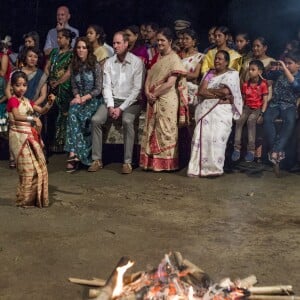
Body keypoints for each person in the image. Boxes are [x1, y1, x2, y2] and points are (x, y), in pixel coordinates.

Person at [88, 31, 144, 174]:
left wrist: (121, 108)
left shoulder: (136, 62)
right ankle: (96, 159)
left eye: (119, 43)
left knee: (127, 120)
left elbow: (137, 90)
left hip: (131, 102)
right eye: (114, 43)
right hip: (112, 100)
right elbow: (106, 87)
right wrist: (111, 106)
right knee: (96, 120)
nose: (115, 46)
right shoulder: (109, 62)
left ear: (126, 44)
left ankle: (127, 162)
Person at [139, 27, 189, 172]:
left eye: (163, 40)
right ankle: (151, 163)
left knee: (165, 130)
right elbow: (149, 76)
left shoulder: (174, 59)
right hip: (152, 99)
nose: (159, 43)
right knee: (151, 129)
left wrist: (154, 94)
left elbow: (170, 83)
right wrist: (147, 91)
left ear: (170, 41)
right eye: (158, 40)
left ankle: (166, 164)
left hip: (166, 99)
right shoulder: (157, 57)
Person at [188, 50, 243, 177]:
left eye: (220, 59)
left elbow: (226, 91)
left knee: (217, 138)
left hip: (222, 111)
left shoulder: (232, 74)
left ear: (227, 62)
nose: (217, 61)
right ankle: (197, 168)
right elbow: (201, 91)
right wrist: (217, 94)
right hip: (206, 110)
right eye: (216, 58)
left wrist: (213, 92)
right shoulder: (209, 73)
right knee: (200, 135)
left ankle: (214, 169)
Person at [6, 71, 54, 207]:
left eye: (24, 85)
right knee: (26, 169)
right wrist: (33, 118)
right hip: (18, 137)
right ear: (12, 87)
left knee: (37, 167)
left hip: (29, 135)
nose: (21, 88)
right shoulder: (12, 100)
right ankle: (24, 200)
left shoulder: (27, 101)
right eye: (18, 85)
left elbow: (42, 110)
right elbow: (16, 116)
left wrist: (49, 103)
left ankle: (31, 200)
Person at [64, 37, 103, 172]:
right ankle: (73, 154)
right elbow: (73, 86)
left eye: (84, 48)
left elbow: (98, 88)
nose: (81, 50)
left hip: (93, 100)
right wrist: (77, 97)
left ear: (88, 50)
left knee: (79, 114)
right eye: (79, 47)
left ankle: (78, 155)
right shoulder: (74, 65)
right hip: (80, 99)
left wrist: (84, 98)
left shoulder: (95, 65)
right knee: (73, 111)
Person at [263, 51, 300, 176]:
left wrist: (285, 69)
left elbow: (296, 86)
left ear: (298, 65)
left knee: (290, 121)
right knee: (267, 118)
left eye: (290, 63)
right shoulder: (280, 73)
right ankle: (276, 152)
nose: (287, 66)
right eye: (286, 63)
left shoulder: (298, 76)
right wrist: (269, 69)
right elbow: (264, 76)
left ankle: (275, 151)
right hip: (275, 104)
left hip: (289, 105)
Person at [231, 60, 268, 162]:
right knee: (239, 121)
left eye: (253, 70)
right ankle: (236, 149)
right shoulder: (245, 85)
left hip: (257, 109)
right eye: (249, 70)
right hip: (246, 108)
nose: (250, 72)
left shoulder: (263, 84)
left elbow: (265, 101)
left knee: (251, 121)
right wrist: (239, 110)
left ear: (259, 71)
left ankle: (251, 151)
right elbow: (242, 100)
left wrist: (262, 114)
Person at [44, 28, 74, 153]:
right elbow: (47, 67)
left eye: (61, 37)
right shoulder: (54, 52)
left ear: (68, 40)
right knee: (50, 113)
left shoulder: (72, 54)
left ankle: (63, 144)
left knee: (64, 114)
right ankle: (50, 142)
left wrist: (58, 82)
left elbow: (69, 72)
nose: (58, 39)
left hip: (65, 87)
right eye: (57, 37)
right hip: (52, 86)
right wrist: (50, 79)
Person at [181, 29, 204, 105]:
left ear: (194, 41)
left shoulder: (200, 56)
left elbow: (195, 75)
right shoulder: (179, 56)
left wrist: (179, 74)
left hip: (191, 90)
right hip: (178, 88)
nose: (184, 41)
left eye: (187, 39)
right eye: (183, 39)